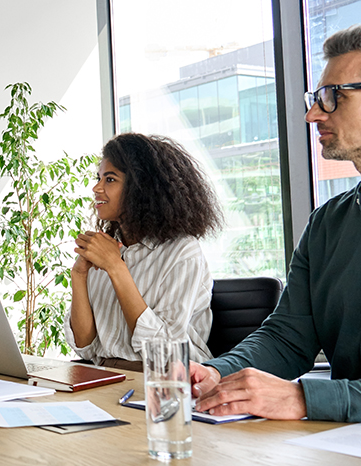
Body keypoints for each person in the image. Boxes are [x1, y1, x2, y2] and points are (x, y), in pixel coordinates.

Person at [190, 24, 361, 423]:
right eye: (316, 98)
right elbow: (288, 338)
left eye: (333, 97)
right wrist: (217, 373)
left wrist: (305, 398)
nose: (312, 113)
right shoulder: (326, 224)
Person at [65, 133, 223, 371]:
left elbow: (165, 351)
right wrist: (79, 275)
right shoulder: (106, 248)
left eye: (109, 179)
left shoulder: (182, 252)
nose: (96, 188)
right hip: (105, 376)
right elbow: (84, 346)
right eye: (98, 178)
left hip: (165, 383)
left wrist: (116, 268)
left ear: (140, 187)